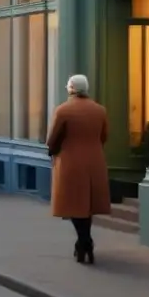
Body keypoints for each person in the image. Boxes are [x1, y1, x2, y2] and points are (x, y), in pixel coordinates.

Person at [46, 74, 110, 265]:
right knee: (86, 205)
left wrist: (54, 151)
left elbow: (52, 139)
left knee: (74, 205)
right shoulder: (100, 110)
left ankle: (84, 242)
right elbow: (104, 136)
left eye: (68, 86)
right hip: (94, 162)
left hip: (70, 162)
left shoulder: (63, 110)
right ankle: (84, 243)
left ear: (72, 88)